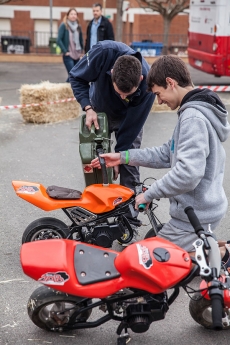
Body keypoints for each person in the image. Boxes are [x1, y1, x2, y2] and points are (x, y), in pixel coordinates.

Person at [91, 54, 230, 267]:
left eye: (158, 93)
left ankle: (220, 256)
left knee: (143, 262)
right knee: (166, 255)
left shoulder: (193, 117)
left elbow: (188, 174)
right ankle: (221, 250)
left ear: (170, 83)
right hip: (203, 207)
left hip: (193, 214)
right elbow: (168, 153)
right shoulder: (195, 109)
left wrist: (150, 193)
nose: (159, 100)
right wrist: (124, 156)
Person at [57, 8, 84, 81]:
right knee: (73, 74)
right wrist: (65, 51)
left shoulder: (78, 26)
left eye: (75, 14)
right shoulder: (64, 25)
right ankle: (64, 90)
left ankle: (66, 90)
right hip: (68, 55)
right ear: (68, 15)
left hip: (77, 55)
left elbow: (81, 39)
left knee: (75, 75)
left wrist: (82, 51)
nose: (73, 16)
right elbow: (59, 40)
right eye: (71, 14)